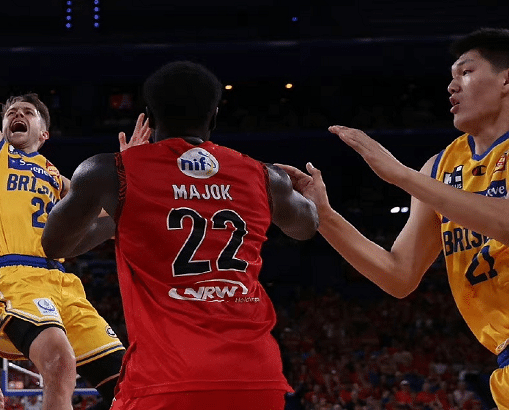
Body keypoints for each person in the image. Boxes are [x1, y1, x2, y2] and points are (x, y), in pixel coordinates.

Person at [280, 28, 509, 409]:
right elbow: (398, 275)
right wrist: (324, 216)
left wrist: (400, 175)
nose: (452, 86)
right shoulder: (439, 168)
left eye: (466, 72)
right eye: (452, 76)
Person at [41, 60, 319, 410]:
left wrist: (124, 205)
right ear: (213, 116)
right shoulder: (265, 176)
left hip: (164, 381)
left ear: (149, 116)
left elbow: (56, 244)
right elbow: (306, 226)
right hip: (255, 380)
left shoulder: (109, 171)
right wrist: (314, 195)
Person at [0, 93, 149, 409]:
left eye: (28, 112)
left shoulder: (54, 175)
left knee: (132, 386)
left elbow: (104, 215)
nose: (18, 114)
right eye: (12, 112)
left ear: (44, 134)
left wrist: (129, 175)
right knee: (59, 361)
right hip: (14, 277)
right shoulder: (1, 155)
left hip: (63, 285)